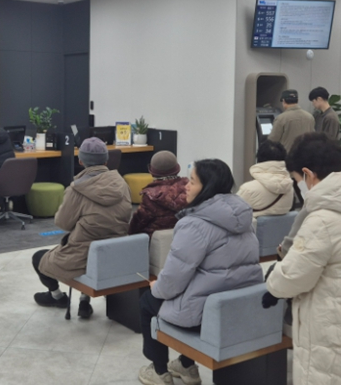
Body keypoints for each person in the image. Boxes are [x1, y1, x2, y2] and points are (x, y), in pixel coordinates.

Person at [138, 159, 262, 385]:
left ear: (207, 187)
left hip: (204, 314)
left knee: (148, 300)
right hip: (239, 308)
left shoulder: (193, 225)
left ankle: (159, 371)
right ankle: (186, 366)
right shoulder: (244, 219)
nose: (186, 186)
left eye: (192, 182)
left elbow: (173, 279)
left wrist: (157, 288)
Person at [264, 134, 341, 384]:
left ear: (307, 174)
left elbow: (290, 278)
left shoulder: (322, 220)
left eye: (297, 180)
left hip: (328, 328)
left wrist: (273, 277)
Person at [32, 137, 131, 319]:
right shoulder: (122, 184)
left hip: (82, 256)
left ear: (80, 161)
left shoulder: (76, 189)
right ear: (106, 161)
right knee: (92, 247)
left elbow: (63, 223)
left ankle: (57, 297)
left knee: (39, 258)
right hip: (114, 254)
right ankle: (84, 300)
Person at [128, 151, 188, 237]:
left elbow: (138, 224)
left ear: (151, 171)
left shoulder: (150, 196)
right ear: (178, 168)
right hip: (185, 235)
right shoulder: (189, 188)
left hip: (155, 240)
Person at [237, 140, 294, 224]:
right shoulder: (289, 188)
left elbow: (231, 215)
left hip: (253, 231)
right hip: (281, 232)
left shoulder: (248, 189)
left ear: (259, 159)